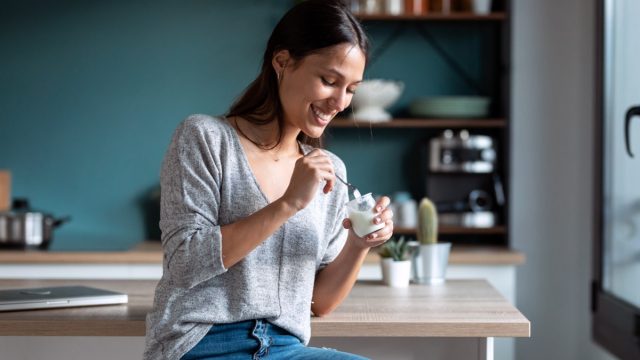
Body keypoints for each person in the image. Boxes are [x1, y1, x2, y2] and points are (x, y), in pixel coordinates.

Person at [143, 1, 394, 359]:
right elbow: (184, 265)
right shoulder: (203, 138)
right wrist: (288, 204)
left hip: (284, 348)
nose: (340, 101)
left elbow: (319, 303)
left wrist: (358, 243)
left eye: (351, 89)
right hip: (203, 343)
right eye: (329, 80)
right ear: (282, 62)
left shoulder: (330, 171)